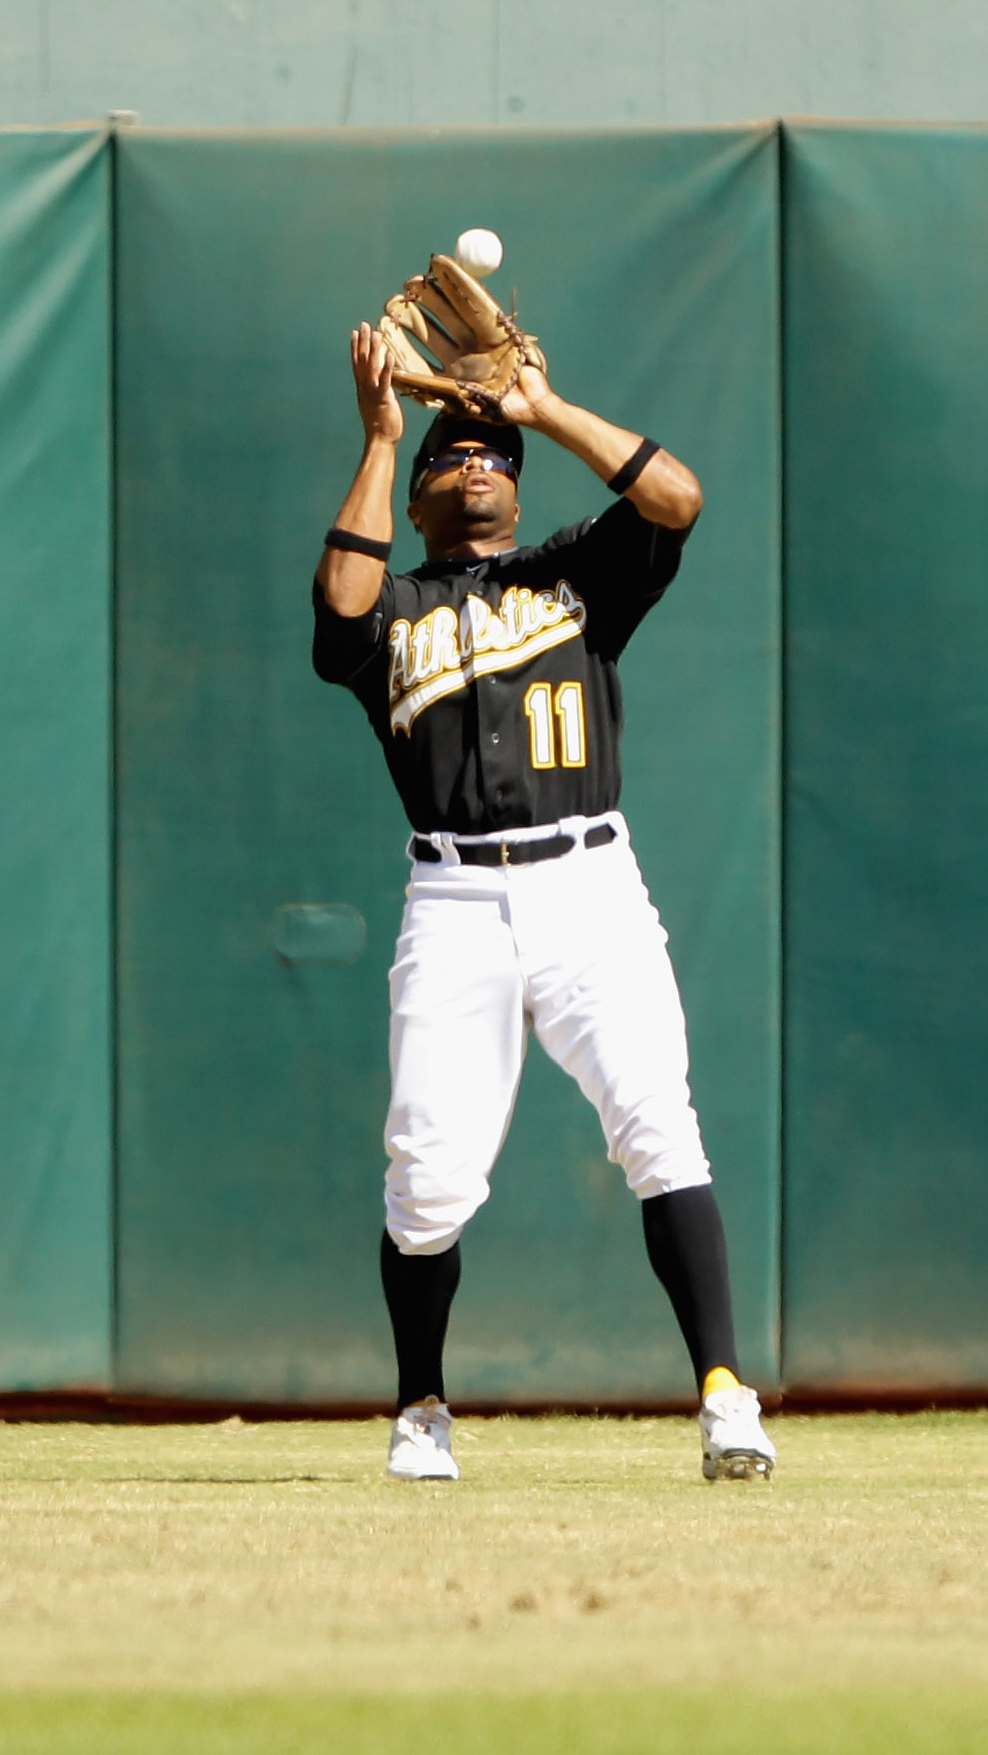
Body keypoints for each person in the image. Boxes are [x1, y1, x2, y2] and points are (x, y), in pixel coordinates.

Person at [312, 322, 776, 1483]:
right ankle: (421, 1404)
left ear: (519, 491)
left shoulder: (575, 574)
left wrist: (543, 409)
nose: (478, 465)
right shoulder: (401, 600)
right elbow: (337, 620)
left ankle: (725, 1396)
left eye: (493, 459)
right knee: (427, 1179)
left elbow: (677, 497)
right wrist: (379, 437)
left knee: (659, 1126)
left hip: (591, 890)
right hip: (455, 898)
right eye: (452, 456)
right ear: (419, 497)